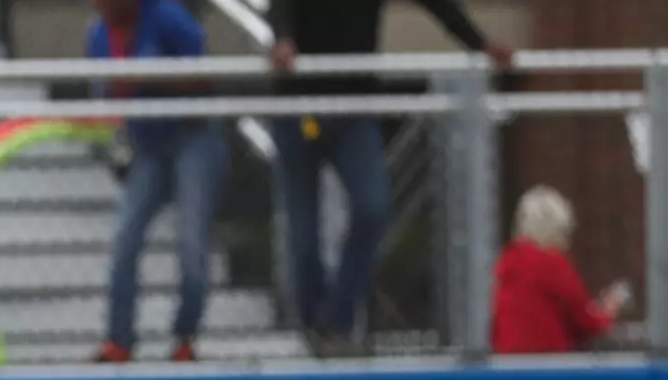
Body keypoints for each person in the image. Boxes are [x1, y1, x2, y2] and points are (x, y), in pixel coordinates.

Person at [268, 0, 512, 356]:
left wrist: (480, 44)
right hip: (298, 108)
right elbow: (280, 7)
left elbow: (438, 5)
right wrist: (283, 40)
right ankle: (315, 330)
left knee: (373, 206)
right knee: (304, 235)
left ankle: (333, 321)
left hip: (354, 109)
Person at [85, 0, 228, 365]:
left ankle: (184, 338)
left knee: (191, 241)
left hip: (192, 138)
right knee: (125, 240)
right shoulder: (98, 37)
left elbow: (204, 75)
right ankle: (119, 340)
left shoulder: (166, 16)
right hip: (147, 146)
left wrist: (149, 75)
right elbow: (105, 98)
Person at [491, 185, 630, 355]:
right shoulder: (552, 265)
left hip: (508, 365)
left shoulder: (507, 262)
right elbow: (588, 323)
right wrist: (609, 308)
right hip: (549, 366)